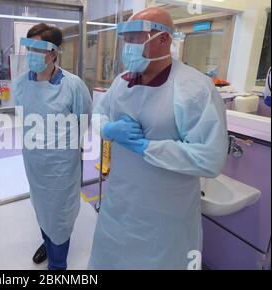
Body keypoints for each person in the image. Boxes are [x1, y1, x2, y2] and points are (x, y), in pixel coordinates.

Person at [89, 7, 228, 269]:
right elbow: (98, 114)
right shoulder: (121, 82)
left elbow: (209, 159)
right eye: (126, 39)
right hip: (119, 206)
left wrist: (146, 147)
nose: (128, 46)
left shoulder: (194, 89)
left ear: (164, 39)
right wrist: (108, 129)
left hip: (164, 219)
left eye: (136, 38)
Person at [13, 23, 92, 270]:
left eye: (40, 49)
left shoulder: (72, 85)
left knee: (60, 213)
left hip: (61, 166)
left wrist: (61, 146)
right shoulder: (20, 84)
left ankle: (57, 265)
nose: (33, 55)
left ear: (55, 52)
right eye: (30, 48)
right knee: (41, 207)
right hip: (34, 163)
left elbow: (84, 119)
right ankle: (47, 244)